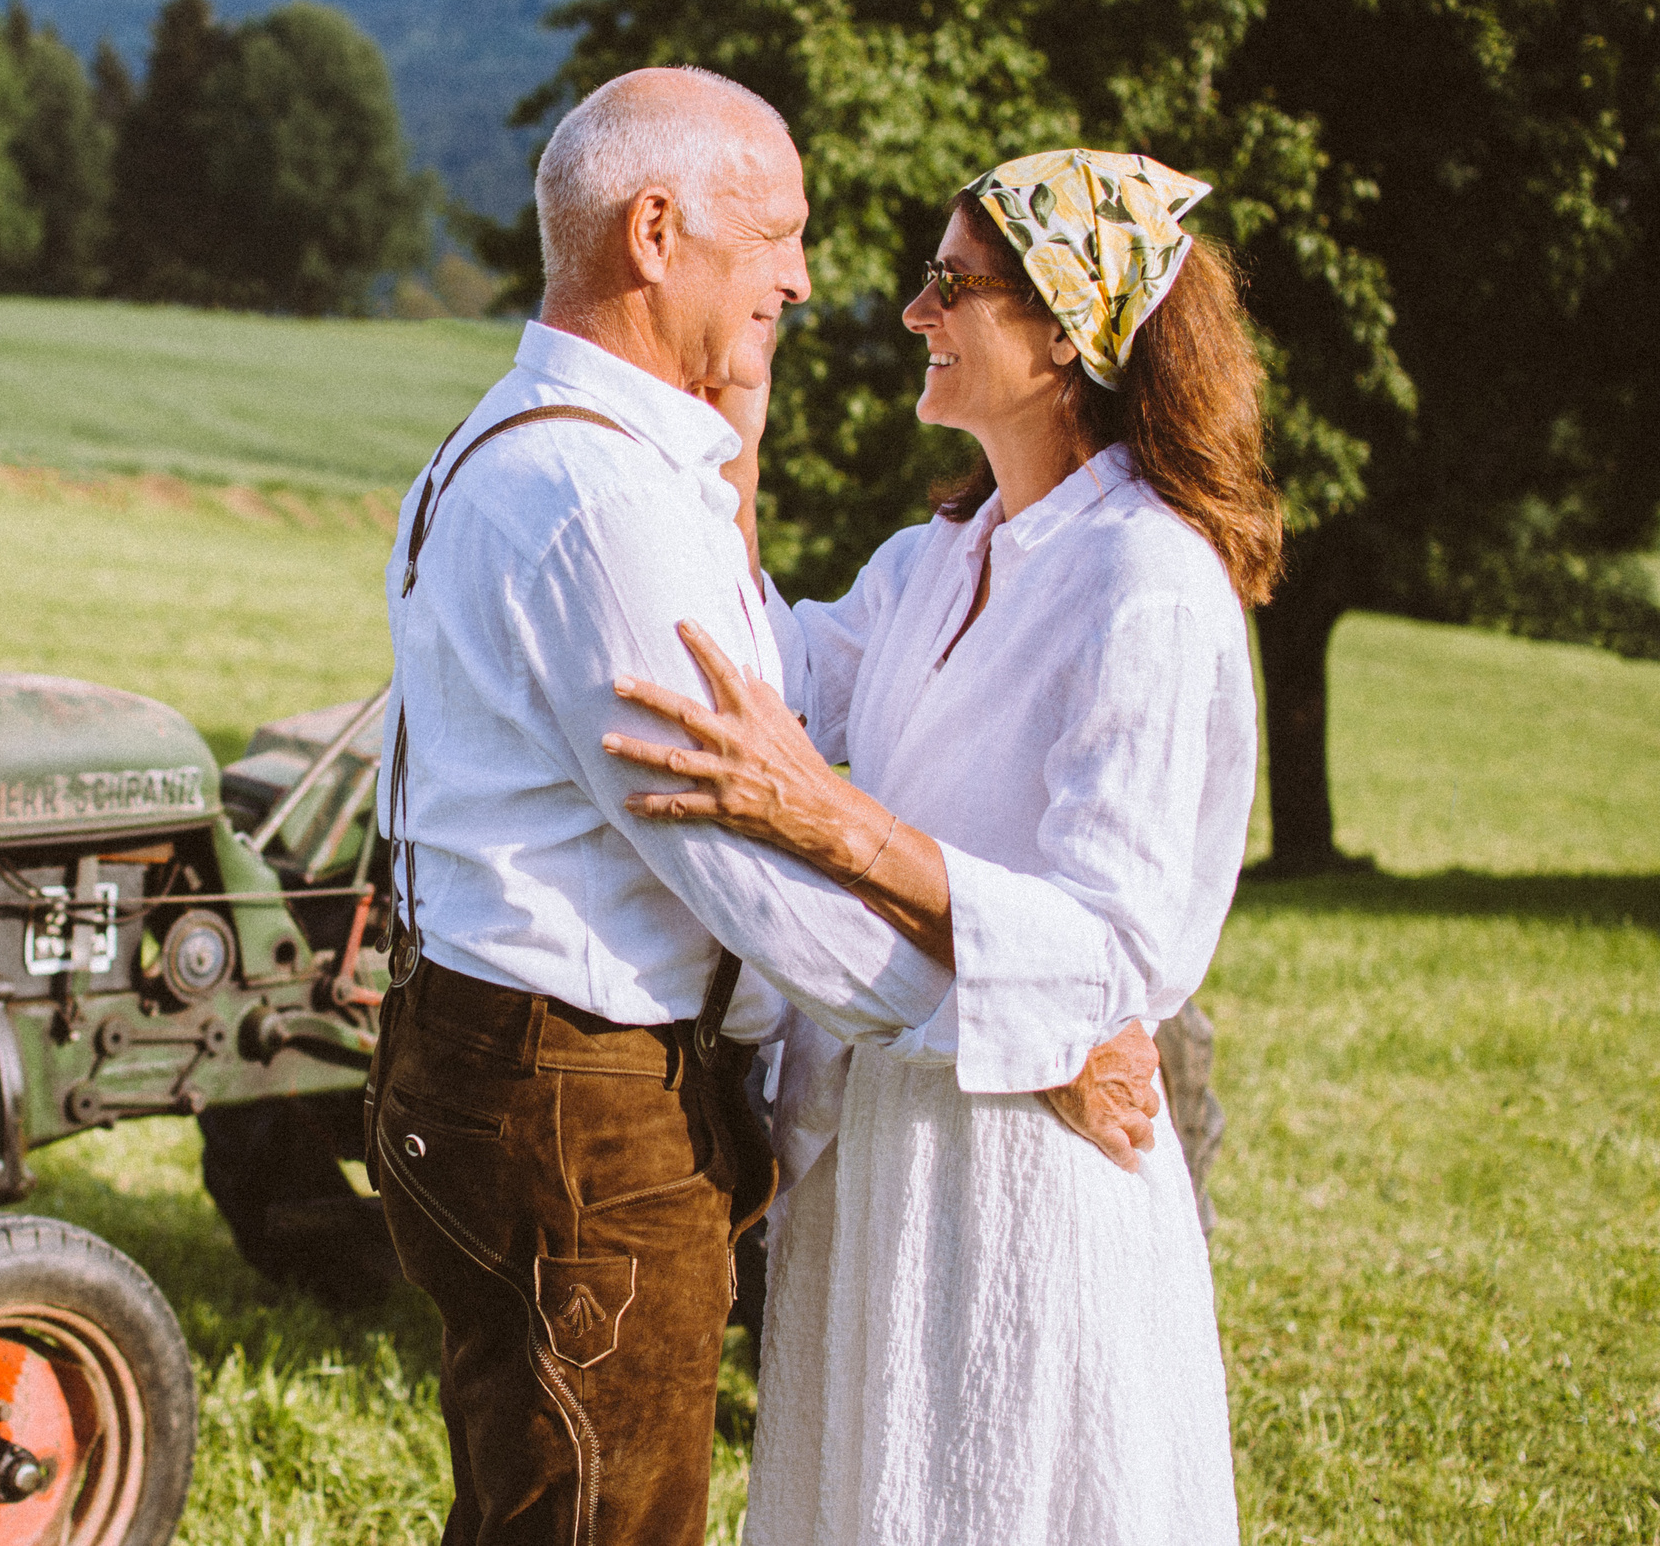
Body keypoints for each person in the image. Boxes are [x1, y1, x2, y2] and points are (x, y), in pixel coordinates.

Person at [367, 75, 1159, 1546]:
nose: (802, 275)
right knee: (607, 1520)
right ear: (655, 233)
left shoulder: (559, 452)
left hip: (518, 1064)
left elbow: (779, 678)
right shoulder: (598, 503)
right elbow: (754, 876)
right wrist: (1031, 1026)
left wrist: (737, 436)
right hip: (578, 1107)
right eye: (776, 233)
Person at [604, 148, 1280, 1544]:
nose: (917, 314)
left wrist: (824, 816)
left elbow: (1113, 950)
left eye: (951, 286)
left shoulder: (1147, 585)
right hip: (882, 1141)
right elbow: (768, 676)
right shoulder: (943, 557)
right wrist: (737, 421)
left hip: (1026, 1166)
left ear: (1067, 333)